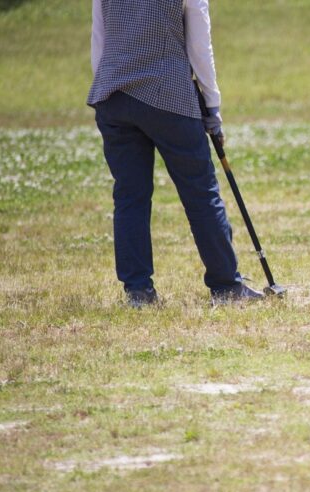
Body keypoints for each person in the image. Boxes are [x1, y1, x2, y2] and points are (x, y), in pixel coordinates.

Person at [87, 0, 264, 306]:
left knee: (129, 196)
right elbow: (199, 45)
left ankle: (138, 291)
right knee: (200, 191)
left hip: (112, 94)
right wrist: (212, 104)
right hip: (168, 94)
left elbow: (99, 38)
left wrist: (107, 87)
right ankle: (225, 286)